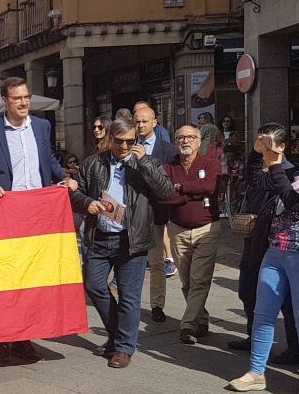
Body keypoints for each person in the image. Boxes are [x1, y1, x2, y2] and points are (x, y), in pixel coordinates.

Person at [0, 76, 76, 367]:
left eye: (26, 97)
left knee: (33, 281)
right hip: (5, 216)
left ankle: (24, 339)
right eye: (17, 98)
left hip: (38, 217)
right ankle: (2, 342)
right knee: (6, 280)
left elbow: (49, 161)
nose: (24, 103)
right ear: (5, 101)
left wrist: (64, 178)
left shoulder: (42, 127)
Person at [72, 116, 173, 368]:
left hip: (132, 238)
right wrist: (88, 203)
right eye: (120, 142)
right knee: (94, 285)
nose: (125, 147)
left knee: (129, 296)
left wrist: (145, 163)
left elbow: (166, 192)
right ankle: (118, 336)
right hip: (101, 235)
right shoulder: (93, 163)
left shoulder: (146, 162)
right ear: (110, 138)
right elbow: (78, 194)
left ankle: (124, 348)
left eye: (131, 142)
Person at [228, 123, 298, 393]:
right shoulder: (281, 170)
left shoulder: (291, 171)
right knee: (263, 314)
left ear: (282, 147)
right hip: (274, 251)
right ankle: (257, 372)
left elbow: (291, 199)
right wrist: (257, 154)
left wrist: (275, 163)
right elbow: (256, 180)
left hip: (297, 254)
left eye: (271, 144)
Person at [160, 126, 221, 344]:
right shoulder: (168, 166)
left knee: (200, 280)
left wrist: (181, 189)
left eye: (190, 137)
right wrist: (193, 192)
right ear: (176, 141)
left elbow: (210, 186)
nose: (185, 141)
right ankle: (201, 319)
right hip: (177, 230)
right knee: (187, 281)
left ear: (198, 141)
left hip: (207, 229)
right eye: (181, 137)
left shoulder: (210, 163)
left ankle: (187, 325)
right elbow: (165, 194)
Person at [134, 105, 181, 323]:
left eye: (145, 121)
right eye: (137, 122)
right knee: (138, 262)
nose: (141, 125)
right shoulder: (128, 146)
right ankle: (135, 303)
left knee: (157, 262)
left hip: (160, 212)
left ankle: (157, 305)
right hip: (134, 213)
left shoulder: (168, 150)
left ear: (155, 123)